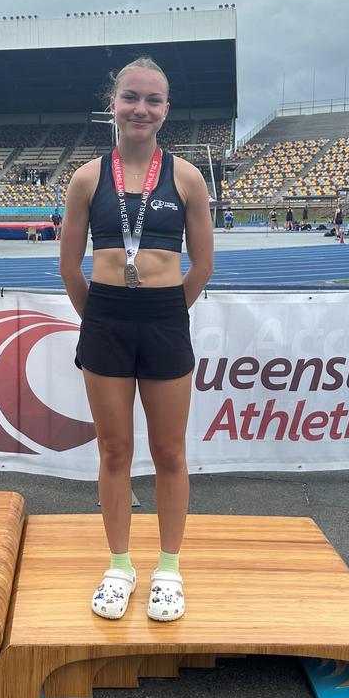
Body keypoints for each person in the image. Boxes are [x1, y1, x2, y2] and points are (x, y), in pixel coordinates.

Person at [60, 57, 213, 623]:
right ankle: (120, 565)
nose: (141, 108)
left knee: (170, 452)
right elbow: (70, 267)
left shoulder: (186, 176)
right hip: (105, 320)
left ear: (166, 109)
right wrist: (100, 315)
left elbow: (203, 266)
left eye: (153, 100)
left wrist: (166, 311)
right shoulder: (88, 177)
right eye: (131, 97)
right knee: (115, 451)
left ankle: (168, 568)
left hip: (164, 320)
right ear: (113, 103)